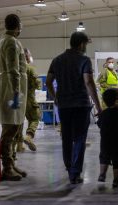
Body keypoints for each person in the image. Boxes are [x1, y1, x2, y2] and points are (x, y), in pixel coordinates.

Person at [46, 32, 102, 184]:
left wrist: (55, 96)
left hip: (63, 105)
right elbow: (89, 83)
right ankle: (75, 173)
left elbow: (48, 82)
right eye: (85, 44)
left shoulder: (57, 60)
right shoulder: (84, 60)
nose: (85, 47)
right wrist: (98, 106)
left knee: (66, 137)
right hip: (80, 105)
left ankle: (69, 166)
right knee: (79, 139)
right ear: (81, 44)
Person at [0, 14, 28, 181]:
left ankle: (11, 163)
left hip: (9, 85)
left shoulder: (3, 40)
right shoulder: (11, 42)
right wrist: (16, 92)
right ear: (17, 26)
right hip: (11, 88)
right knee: (10, 128)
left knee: (14, 127)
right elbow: (13, 69)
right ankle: (7, 167)